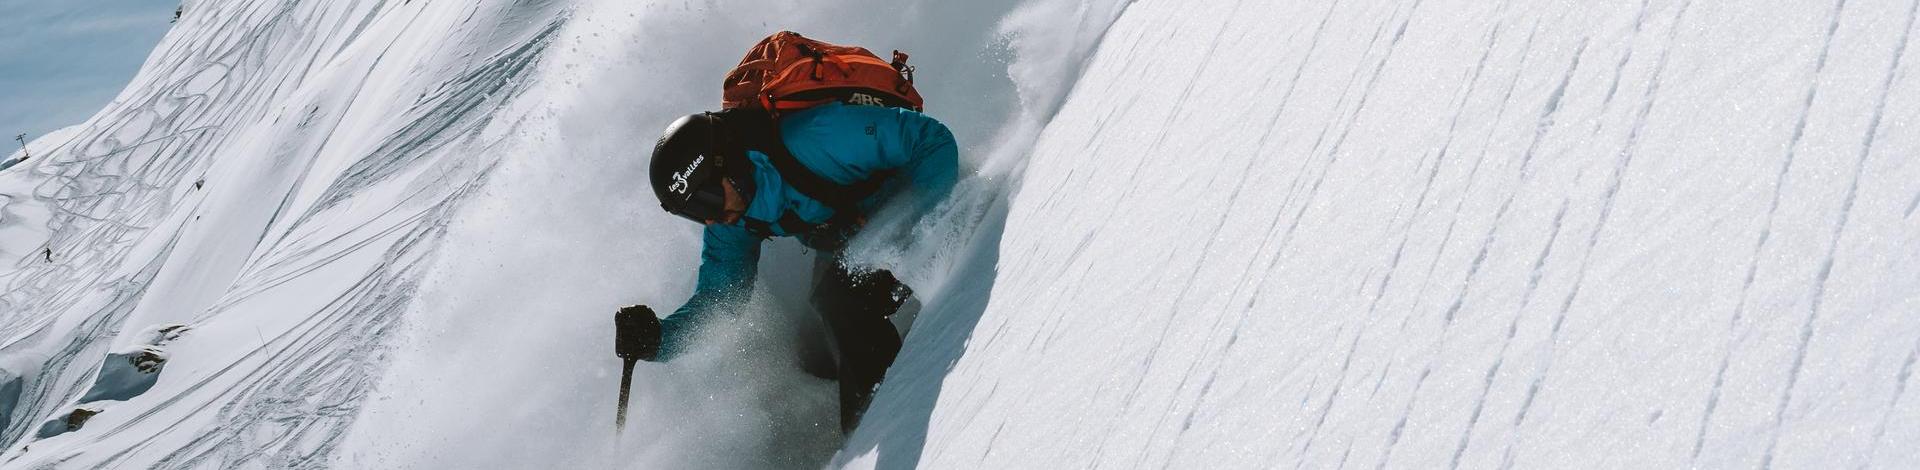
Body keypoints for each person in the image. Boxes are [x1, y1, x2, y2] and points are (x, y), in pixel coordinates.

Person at [628, 100, 957, 433]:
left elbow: (930, 138)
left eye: (707, 199)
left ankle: (888, 426)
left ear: (725, 162)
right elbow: (721, 299)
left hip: (912, 205)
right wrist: (658, 339)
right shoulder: (733, 218)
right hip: (856, 235)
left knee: (840, 304)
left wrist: (924, 231)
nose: (709, 217)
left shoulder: (817, 136)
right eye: (694, 211)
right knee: (814, 350)